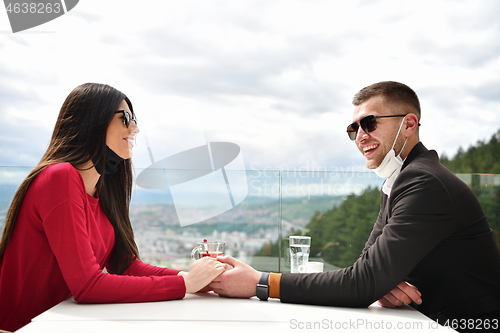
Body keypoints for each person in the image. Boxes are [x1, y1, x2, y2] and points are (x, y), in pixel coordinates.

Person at [210, 81, 500, 330]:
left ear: (408, 124)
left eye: (370, 123)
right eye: (354, 128)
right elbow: (367, 270)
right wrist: (380, 281)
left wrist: (260, 282)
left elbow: (362, 283)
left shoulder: (424, 183)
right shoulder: (401, 180)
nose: (361, 136)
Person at [0, 83, 226, 332]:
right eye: (125, 118)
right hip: (25, 327)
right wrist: (185, 284)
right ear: (93, 122)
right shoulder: (60, 177)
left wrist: (192, 278)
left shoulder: (103, 189)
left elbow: (125, 266)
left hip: (64, 322)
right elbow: (87, 286)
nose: (135, 128)